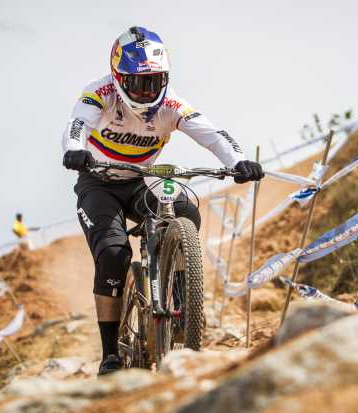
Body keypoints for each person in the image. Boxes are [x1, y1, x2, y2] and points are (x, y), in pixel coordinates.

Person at [61, 26, 263, 375]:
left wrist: (238, 161)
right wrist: (74, 149)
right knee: (113, 255)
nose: (147, 92)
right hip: (99, 183)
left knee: (186, 211)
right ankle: (110, 354)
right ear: (118, 78)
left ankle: (184, 304)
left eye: (154, 82)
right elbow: (77, 124)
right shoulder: (100, 92)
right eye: (138, 83)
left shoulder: (172, 105)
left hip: (141, 180)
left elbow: (213, 135)